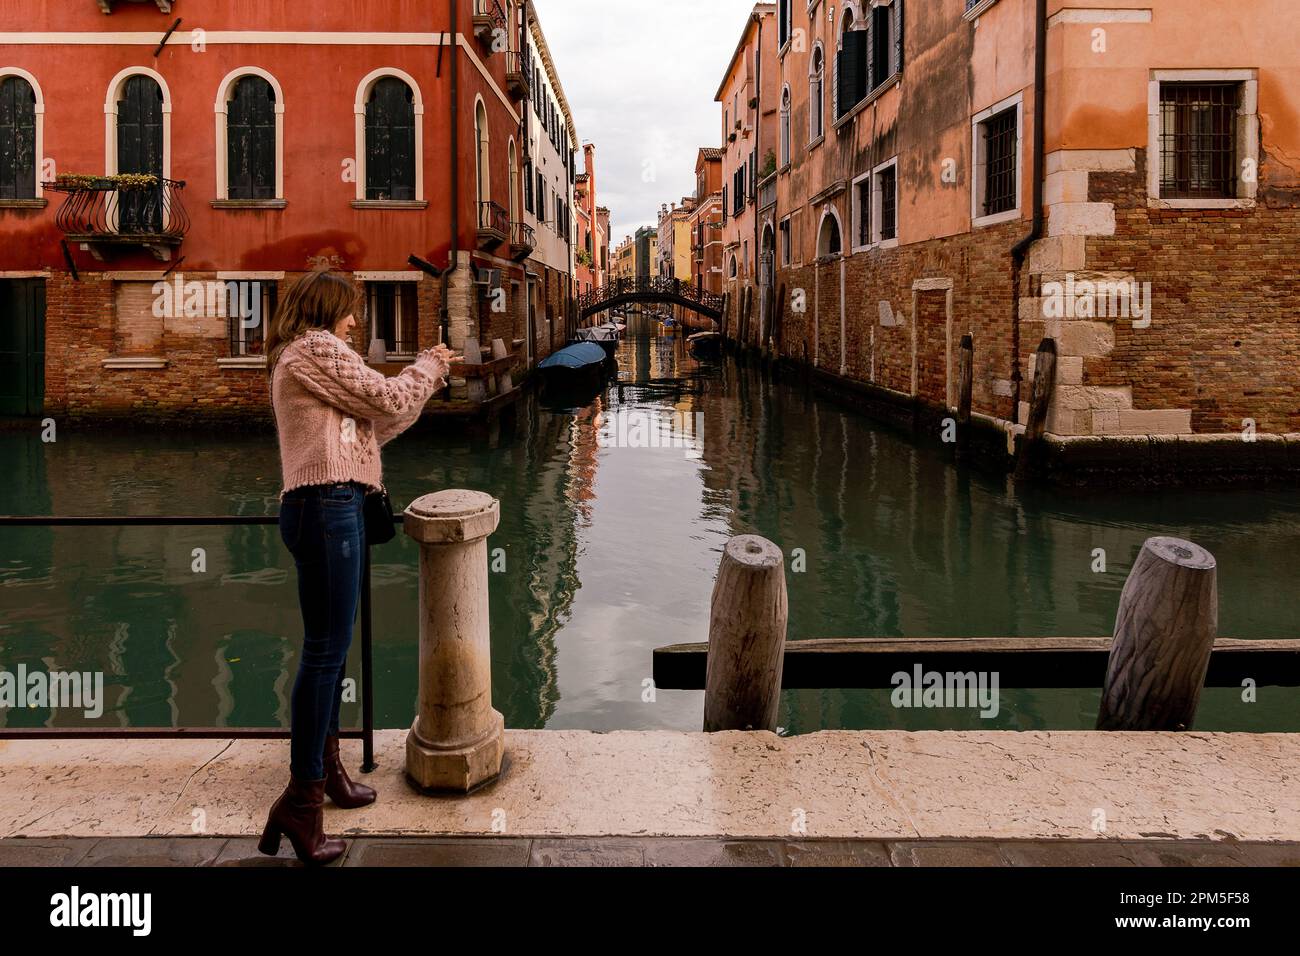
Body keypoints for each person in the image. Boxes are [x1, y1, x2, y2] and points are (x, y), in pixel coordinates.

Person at [259, 270, 452, 865]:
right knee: (324, 653)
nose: (355, 322)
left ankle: (329, 772)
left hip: (331, 509)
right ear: (326, 309)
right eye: (349, 311)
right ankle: (301, 802)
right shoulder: (314, 349)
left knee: (332, 651)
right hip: (325, 508)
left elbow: (379, 420)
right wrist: (428, 367)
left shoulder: (312, 360)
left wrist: (419, 385)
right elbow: (391, 398)